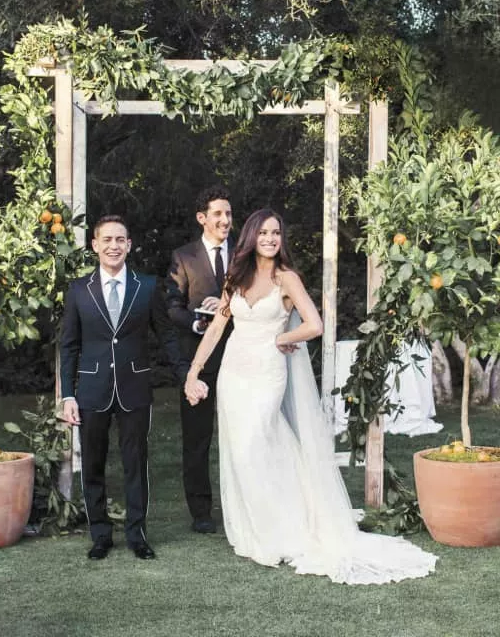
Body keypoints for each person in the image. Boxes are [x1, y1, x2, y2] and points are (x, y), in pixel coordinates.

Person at [184, 208, 438, 584]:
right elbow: (218, 326)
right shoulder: (235, 277)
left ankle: (288, 528)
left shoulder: (287, 278)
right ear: (251, 237)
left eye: (276, 233)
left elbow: (314, 324)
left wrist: (282, 338)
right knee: (243, 450)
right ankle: (258, 528)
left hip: (267, 373)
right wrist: (194, 371)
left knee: (256, 442)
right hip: (233, 374)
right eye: (263, 233)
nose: (270, 238)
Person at [60, 215, 193, 561]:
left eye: (120, 239)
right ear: (95, 245)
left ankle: (137, 535)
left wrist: (185, 374)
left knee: (136, 462)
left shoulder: (146, 287)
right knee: (93, 464)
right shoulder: (79, 290)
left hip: (135, 387)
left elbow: (166, 334)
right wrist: (68, 394)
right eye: (107, 239)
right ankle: (100, 535)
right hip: (91, 389)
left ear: (129, 245)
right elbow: (69, 345)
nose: (113, 246)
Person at [165, 185, 233, 534]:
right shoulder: (184, 256)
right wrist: (197, 322)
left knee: (243, 435)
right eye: (218, 213)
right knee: (197, 439)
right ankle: (201, 512)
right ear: (202, 218)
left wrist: (229, 308)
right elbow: (171, 306)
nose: (225, 220)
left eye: (228, 213)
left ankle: (243, 506)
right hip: (200, 361)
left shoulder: (245, 253)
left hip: (240, 357)